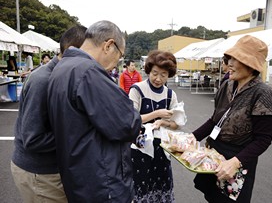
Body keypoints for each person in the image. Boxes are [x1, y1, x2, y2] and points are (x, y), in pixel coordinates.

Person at [47, 20, 142, 202]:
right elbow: (127, 124)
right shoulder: (89, 72)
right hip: (101, 181)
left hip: (78, 174)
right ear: (108, 45)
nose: (116, 64)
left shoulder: (62, 67)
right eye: (120, 56)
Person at [191, 35, 272, 202]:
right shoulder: (228, 85)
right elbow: (215, 120)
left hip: (238, 159)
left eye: (236, 58)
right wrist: (192, 137)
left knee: (228, 200)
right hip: (215, 153)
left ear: (250, 64)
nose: (229, 63)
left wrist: (235, 162)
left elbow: (263, 139)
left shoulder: (263, 93)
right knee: (212, 196)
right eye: (229, 58)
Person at [10, 25, 87, 203]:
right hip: (40, 174)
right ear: (73, 51)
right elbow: (33, 139)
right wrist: (81, 133)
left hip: (54, 170)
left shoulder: (66, 75)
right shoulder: (43, 81)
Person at [128, 50, 179, 202]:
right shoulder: (137, 90)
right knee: (141, 185)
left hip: (162, 150)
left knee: (160, 186)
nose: (158, 78)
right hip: (140, 147)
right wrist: (157, 113)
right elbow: (131, 119)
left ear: (169, 74)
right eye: (155, 73)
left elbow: (177, 124)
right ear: (149, 70)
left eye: (163, 75)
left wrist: (163, 122)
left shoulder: (171, 95)